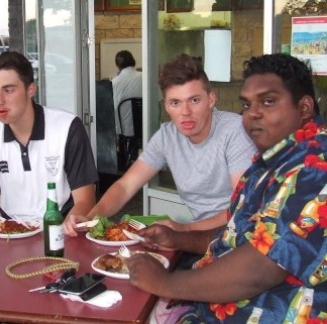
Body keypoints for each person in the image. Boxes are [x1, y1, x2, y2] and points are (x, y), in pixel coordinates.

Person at [126, 53, 327, 323]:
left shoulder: (315, 167)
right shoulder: (273, 160)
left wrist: (166, 283)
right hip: (218, 304)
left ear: (304, 108)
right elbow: (238, 234)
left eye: (268, 101)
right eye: (247, 104)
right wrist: (180, 239)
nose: (253, 113)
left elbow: (261, 268)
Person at [65, 54, 256, 236]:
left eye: (194, 100)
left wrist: (184, 230)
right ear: (166, 106)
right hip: (200, 236)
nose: (185, 112)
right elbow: (125, 185)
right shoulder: (168, 135)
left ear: (211, 99)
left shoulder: (234, 131)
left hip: (239, 236)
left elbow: (243, 207)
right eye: (175, 103)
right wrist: (91, 218)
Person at [0, 51, 98, 223]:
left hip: (61, 224)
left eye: (8, 90)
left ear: (31, 89)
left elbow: (85, 200)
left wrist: (58, 235)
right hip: (8, 228)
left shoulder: (67, 127)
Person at [112, 50, 142, 137]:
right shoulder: (147, 77)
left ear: (117, 66)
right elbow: (159, 101)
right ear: (133, 61)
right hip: (148, 127)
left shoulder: (114, 83)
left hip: (124, 130)